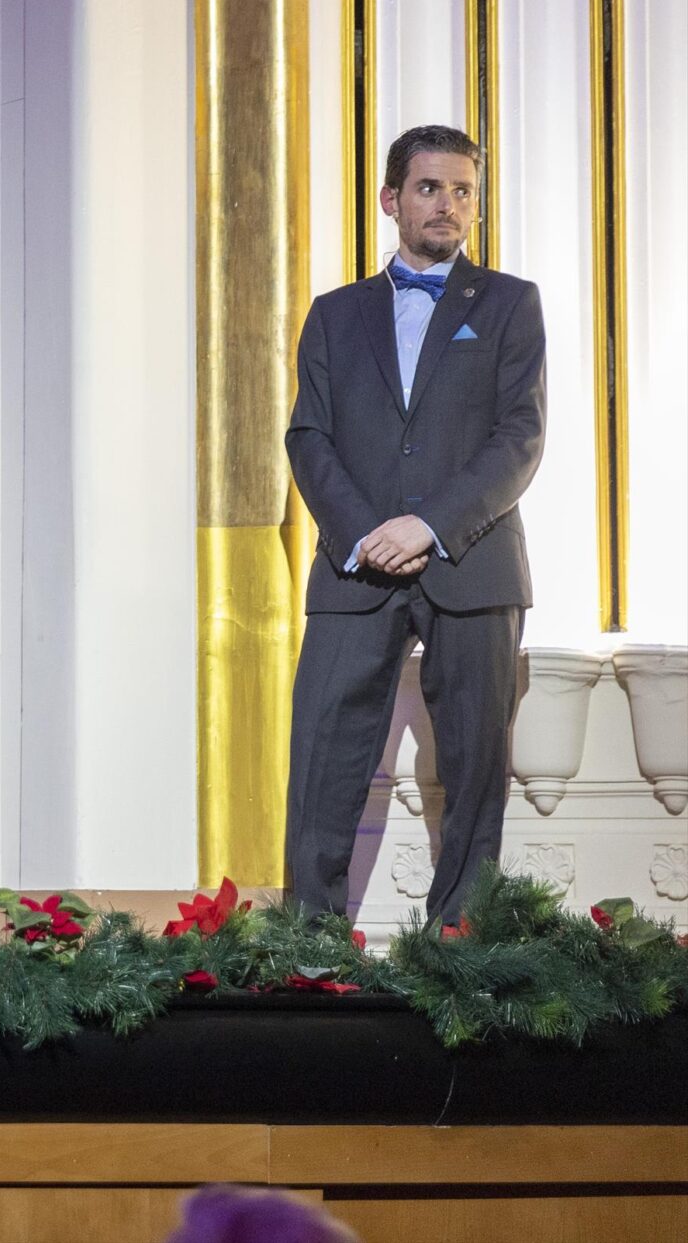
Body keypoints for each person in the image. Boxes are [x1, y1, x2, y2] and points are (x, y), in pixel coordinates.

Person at [282, 125, 544, 927]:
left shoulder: (511, 303)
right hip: (355, 566)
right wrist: (367, 533)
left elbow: (520, 438)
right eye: (430, 187)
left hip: (474, 563)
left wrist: (426, 525)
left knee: (475, 769)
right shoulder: (334, 314)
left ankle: (459, 947)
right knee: (322, 760)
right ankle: (310, 951)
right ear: (390, 198)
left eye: (463, 191)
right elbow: (308, 437)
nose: (448, 204)